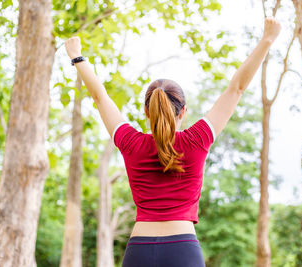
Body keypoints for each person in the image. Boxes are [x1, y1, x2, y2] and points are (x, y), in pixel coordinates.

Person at [65, 17, 281, 267]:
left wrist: (77, 57)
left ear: (147, 111)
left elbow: (100, 97)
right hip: (183, 250)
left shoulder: (131, 143)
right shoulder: (197, 140)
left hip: (139, 251)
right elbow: (237, 88)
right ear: (183, 111)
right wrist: (267, 40)